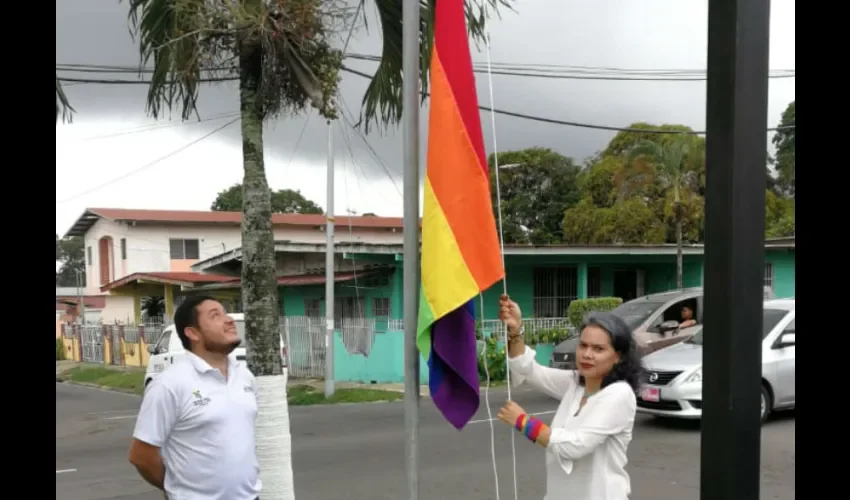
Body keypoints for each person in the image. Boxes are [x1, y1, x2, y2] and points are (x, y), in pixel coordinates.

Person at [497, 295, 643, 500]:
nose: (587, 354)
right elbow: (528, 370)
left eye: (598, 349)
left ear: (618, 356)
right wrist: (516, 330)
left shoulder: (619, 394)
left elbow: (574, 447)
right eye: (583, 345)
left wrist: (523, 421)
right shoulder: (575, 384)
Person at [128, 295, 261, 500]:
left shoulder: (245, 376)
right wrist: (177, 489)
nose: (229, 320)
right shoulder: (169, 384)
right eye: (215, 316)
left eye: (225, 313)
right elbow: (141, 456)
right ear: (193, 333)